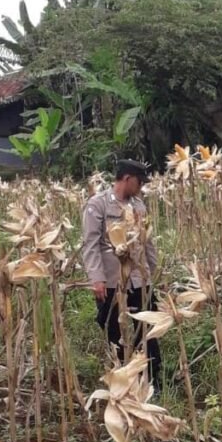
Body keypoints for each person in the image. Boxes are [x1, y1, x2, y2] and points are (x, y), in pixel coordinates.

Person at [82, 159, 161, 384]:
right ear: (127, 179)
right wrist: (96, 278)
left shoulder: (139, 206)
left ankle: (153, 377)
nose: (141, 187)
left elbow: (147, 243)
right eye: (139, 181)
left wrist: (152, 272)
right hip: (111, 281)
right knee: (114, 330)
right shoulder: (97, 205)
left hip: (139, 280)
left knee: (148, 328)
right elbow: (91, 244)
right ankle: (124, 376)